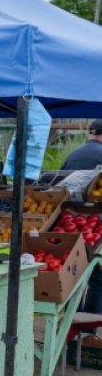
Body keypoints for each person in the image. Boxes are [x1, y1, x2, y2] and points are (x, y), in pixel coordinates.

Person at [62, 119, 102, 313]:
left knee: (72, 273)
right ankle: (87, 331)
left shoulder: (73, 154)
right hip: (97, 225)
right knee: (98, 278)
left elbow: (59, 189)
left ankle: (69, 325)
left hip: (70, 222)